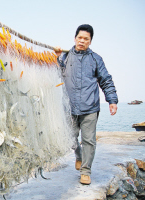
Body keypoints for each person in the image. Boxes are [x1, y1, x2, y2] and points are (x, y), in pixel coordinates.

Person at [54, 24, 118, 185]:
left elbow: (106, 80)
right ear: (75, 38)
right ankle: (79, 156)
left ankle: (86, 171)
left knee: (89, 140)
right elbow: (57, 73)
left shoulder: (96, 59)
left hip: (90, 107)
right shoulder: (65, 57)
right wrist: (56, 57)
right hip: (69, 107)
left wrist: (112, 100)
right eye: (80, 38)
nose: (82, 41)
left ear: (90, 41)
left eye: (86, 39)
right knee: (70, 138)